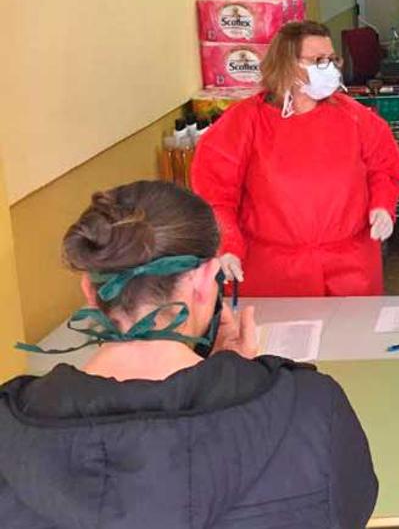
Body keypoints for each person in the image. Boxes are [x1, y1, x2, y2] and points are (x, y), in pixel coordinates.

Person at [0, 181, 378, 527]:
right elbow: (347, 505)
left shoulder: (12, 426)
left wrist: (228, 379)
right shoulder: (310, 408)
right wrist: (239, 382)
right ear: (203, 280)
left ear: (89, 290)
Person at [192, 20, 399, 297]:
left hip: (351, 265)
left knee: (352, 337)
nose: (328, 68)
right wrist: (227, 245)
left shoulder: (354, 116)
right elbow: (215, 195)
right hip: (275, 271)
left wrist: (381, 205)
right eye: (318, 60)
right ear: (287, 65)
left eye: (331, 59)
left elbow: (384, 168)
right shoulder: (245, 122)